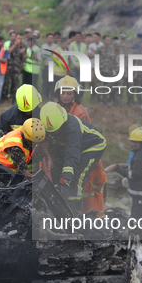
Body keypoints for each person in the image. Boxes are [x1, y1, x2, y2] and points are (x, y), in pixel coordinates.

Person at [39, 101, 106, 214]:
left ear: (63, 121)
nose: (55, 133)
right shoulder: (47, 125)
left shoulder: (72, 129)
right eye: (52, 132)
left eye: (57, 130)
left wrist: (65, 182)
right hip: (72, 147)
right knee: (59, 171)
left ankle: (73, 210)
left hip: (92, 145)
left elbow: (71, 158)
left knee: (77, 177)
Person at [54, 75, 107, 216]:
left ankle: (81, 215)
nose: (65, 96)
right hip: (71, 149)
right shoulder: (56, 108)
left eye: (69, 93)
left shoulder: (79, 112)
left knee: (82, 182)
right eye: (63, 93)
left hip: (82, 149)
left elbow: (74, 144)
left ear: (75, 94)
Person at [108, 127, 142, 218]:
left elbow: (135, 175)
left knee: (137, 218)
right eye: (132, 141)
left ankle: (138, 231)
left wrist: (120, 171)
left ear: (141, 142)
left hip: (140, 193)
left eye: (135, 142)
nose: (133, 144)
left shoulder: (140, 157)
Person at [3, 34, 24, 102]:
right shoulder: (11, 44)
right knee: (6, 82)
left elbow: (23, 59)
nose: (19, 40)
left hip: (17, 68)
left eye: (21, 39)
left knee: (15, 83)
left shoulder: (23, 47)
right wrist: (15, 45)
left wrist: (23, 52)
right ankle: (4, 96)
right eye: (18, 38)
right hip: (9, 67)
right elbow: (8, 52)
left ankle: (14, 98)